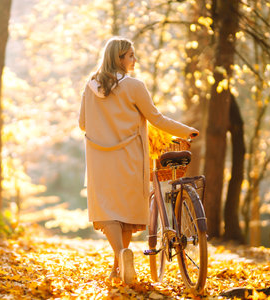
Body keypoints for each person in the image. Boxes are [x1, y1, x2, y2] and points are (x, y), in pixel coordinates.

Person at [78, 37, 199, 284]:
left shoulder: (90, 86)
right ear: (119, 57)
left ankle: (119, 261)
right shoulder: (134, 86)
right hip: (129, 157)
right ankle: (122, 258)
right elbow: (157, 118)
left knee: (108, 211)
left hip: (99, 158)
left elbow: (82, 123)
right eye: (131, 55)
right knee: (124, 212)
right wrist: (187, 130)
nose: (134, 60)